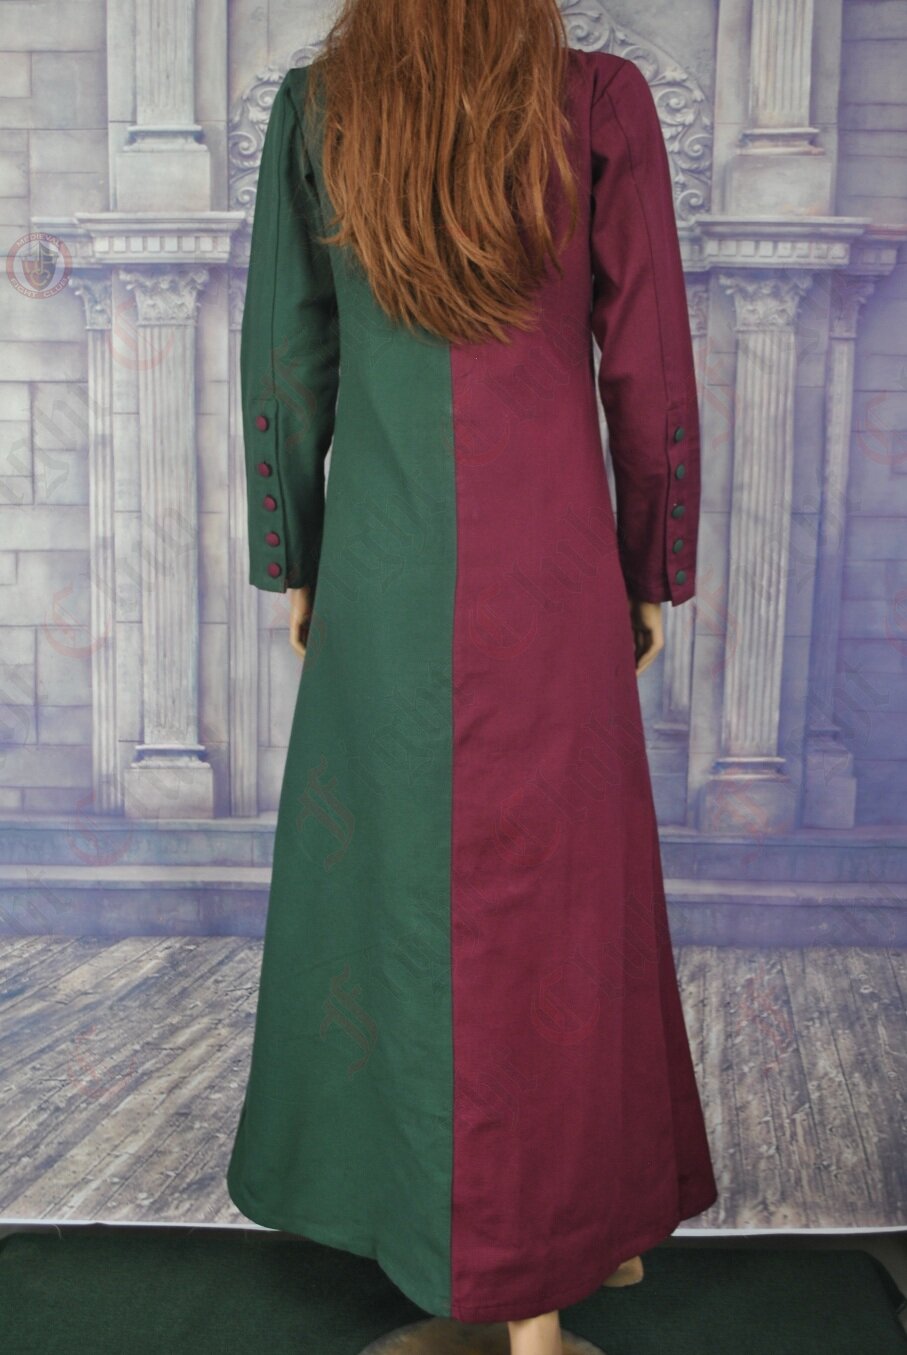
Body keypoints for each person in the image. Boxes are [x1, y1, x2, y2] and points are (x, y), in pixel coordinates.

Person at [225, 2, 719, 1352]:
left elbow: (286, 364)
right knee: (557, 922)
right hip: (554, 588)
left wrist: (297, 557)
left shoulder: (324, 109)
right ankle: (551, 1263)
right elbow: (650, 369)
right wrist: (649, 563)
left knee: (403, 913)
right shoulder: (596, 101)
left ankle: (480, 1252)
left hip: (384, 585)